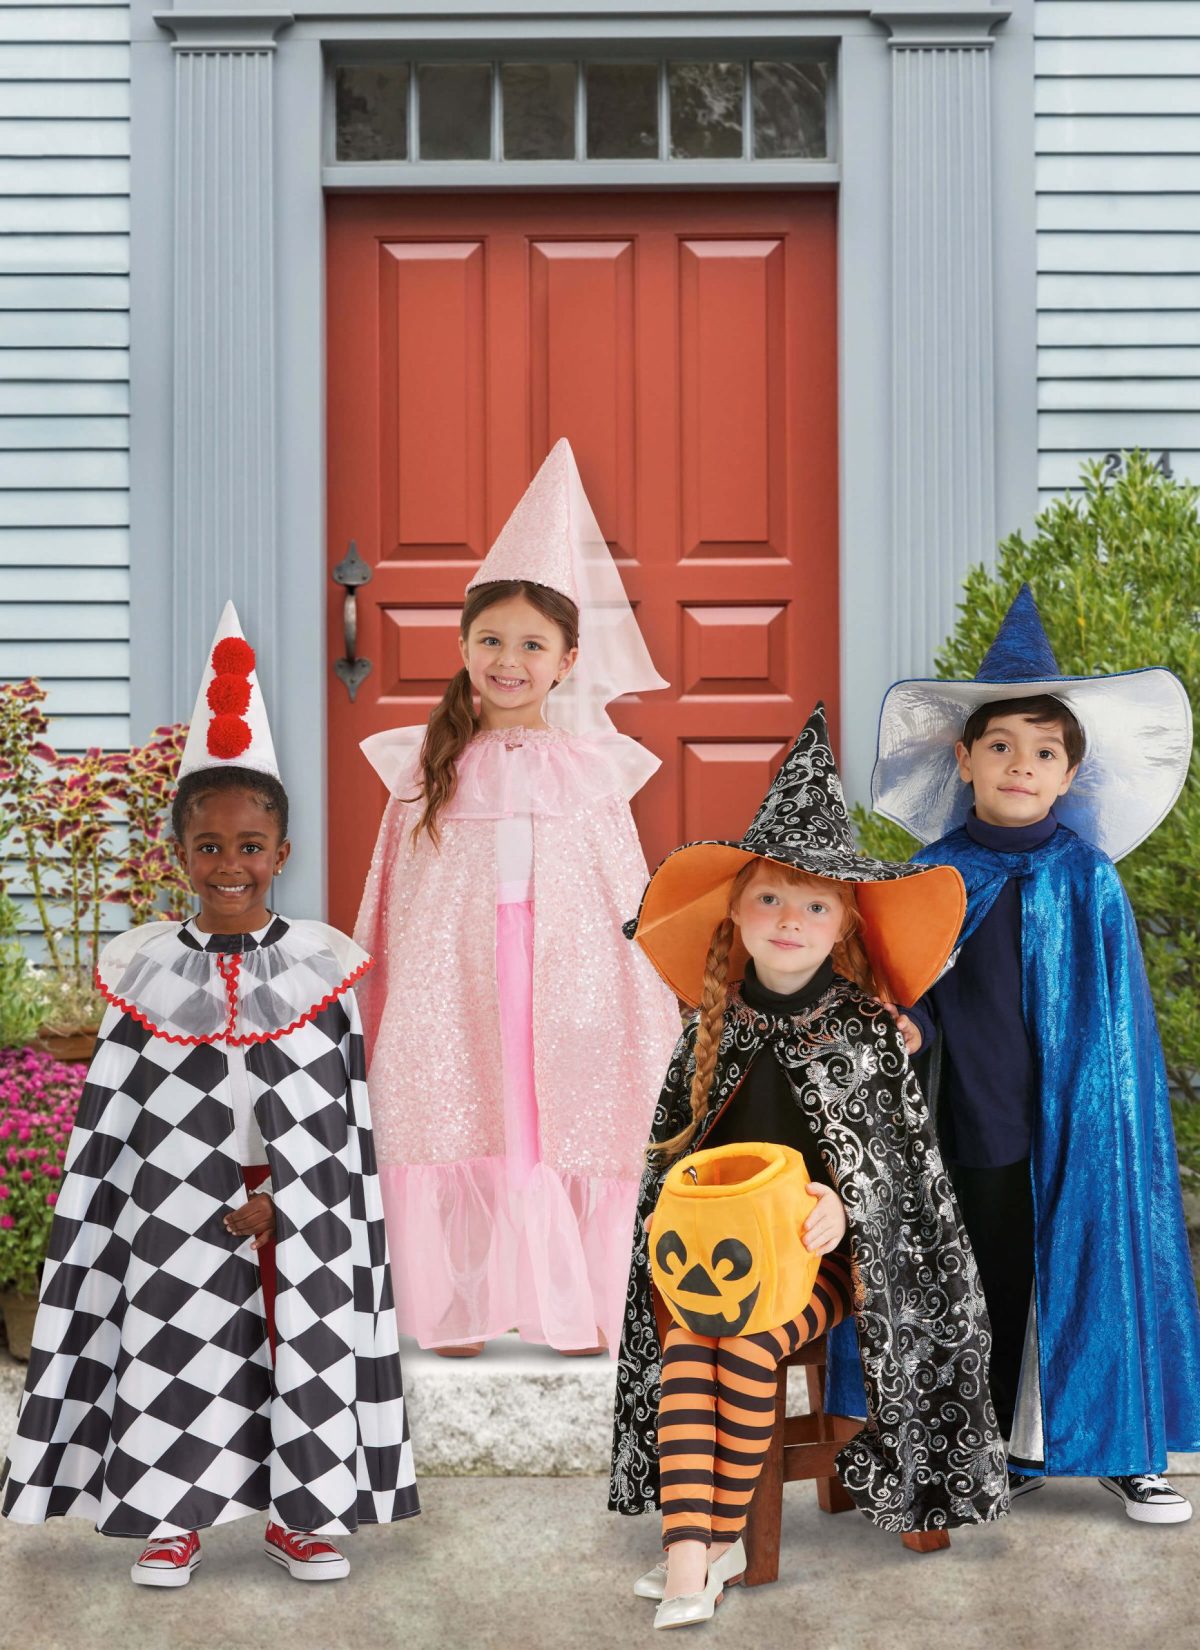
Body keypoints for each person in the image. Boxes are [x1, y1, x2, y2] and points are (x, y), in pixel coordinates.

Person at [1, 603, 419, 1585]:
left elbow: (340, 1117)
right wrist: (162, 1198)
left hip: (296, 1204)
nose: (230, 865)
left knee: (299, 1346)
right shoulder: (143, 970)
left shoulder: (321, 968)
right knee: (177, 1343)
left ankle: (299, 1517)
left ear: (282, 852)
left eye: (251, 845)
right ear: (180, 853)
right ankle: (172, 1515)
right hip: (169, 1201)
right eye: (210, 846)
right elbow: (115, 1120)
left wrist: (293, 1198)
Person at [609, 703, 1006, 1631]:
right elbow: (677, 1165)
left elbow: (901, 1176)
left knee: (748, 1342)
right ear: (735, 911)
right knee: (689, 1344)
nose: (791, 920)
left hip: (828, 1268)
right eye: (771, 900)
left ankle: (706, 1547)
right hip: (717, 1262)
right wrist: (677, 1211)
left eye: (816, 905)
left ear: (844, 928)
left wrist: (844, 1204)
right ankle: (698, 1547)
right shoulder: (706, 1029)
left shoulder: (865, 1032)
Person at [868, 582, 1200, 1522]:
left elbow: (1116, 1027)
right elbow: (912, 994)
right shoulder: (931, 875)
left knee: (1097, 1264)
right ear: (964, 759)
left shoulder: (1088, 878)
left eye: (1044, 751)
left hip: (1081, 1124)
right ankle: (1004, 1448)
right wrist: (908, 1028)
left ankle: (1126, 1448)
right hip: (975, 1117)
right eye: (1001, 746)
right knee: (990, 1277)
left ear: (1069, 775)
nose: (1022, 764)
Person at [354, 439, 681, 1358]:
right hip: (455, 974)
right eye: (491, 641)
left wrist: (633, 991)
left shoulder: (592, 769)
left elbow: (621, 888)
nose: (509, 660)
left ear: (568, 660)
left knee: (548, 1115)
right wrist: (391, 987)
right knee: (464, 1105)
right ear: (462, 647)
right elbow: (395, 892)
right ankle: (456, 1301)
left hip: (564, 976)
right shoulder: (425, 766)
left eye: (532, 645)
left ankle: (572, 1299)